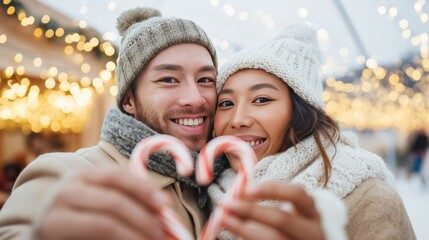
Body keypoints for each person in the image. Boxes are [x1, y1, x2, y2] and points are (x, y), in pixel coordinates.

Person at [0, 8, 327, 240]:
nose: (194, 98)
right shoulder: (70, 173)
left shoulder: (218, 188)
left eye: (205, 79)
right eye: (169, 79)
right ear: (129, 100)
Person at [208, 24, 416, 239]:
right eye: (225, 103)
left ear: (301, 111)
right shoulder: (205, 196)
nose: (238, 119)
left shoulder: (368, 197)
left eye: (262, 99)